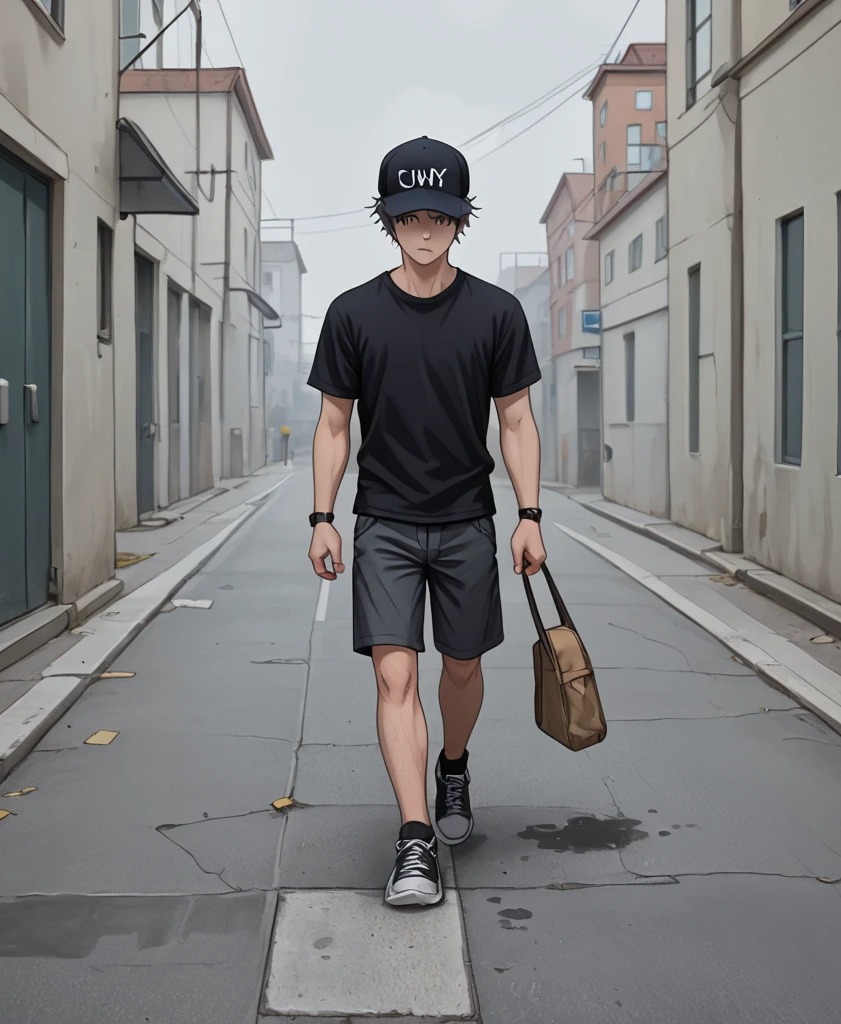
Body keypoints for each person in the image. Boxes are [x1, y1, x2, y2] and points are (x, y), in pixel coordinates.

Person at [306, 136, 546, 908]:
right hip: (384, 523)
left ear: (459, 220)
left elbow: (515, 420)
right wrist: (323, 517)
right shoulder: (352, 315)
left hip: (469, 520)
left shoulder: (496, 313)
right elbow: (334, 425)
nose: (424, 228)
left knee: (464, 666)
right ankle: (414, 841)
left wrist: (529, 514)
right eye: (407, 214)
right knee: (394, 672)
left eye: (439, 214)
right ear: (388, 220)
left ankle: (452, 763)